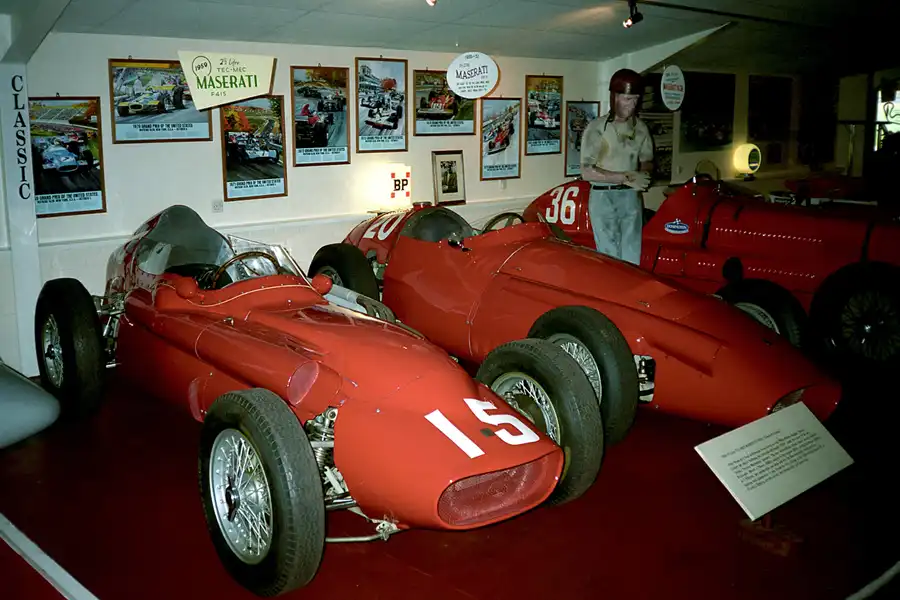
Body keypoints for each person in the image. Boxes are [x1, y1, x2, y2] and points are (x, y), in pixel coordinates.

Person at [579, 68, 654, 265]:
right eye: (627, 99)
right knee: (608, 257)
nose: (632, 104)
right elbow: (586, 171)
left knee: (632, 253)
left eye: (636, 99)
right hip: (603, 196)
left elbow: (647, 159)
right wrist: (627, 177)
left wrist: (644, 175)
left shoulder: (641, 129)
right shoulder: (597, 128)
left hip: (631, 197)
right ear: (615, 98)